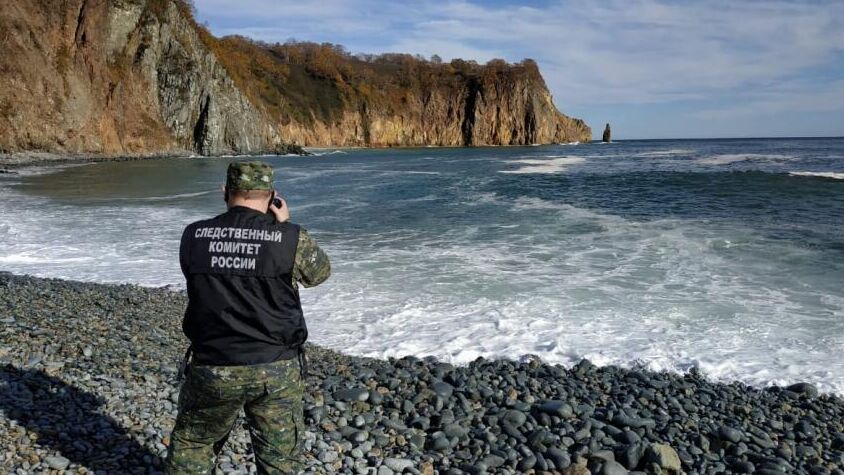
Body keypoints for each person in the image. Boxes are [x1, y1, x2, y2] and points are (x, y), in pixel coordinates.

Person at [165, 161, 330, 474]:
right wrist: (282, 226)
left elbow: (194, 274)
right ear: (271, 197)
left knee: (194, 446)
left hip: (214, 362)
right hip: (275, 367)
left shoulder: (194, 235)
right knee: (280, 460)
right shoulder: (289, 238)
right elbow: (319, 273)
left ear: (225, 192)